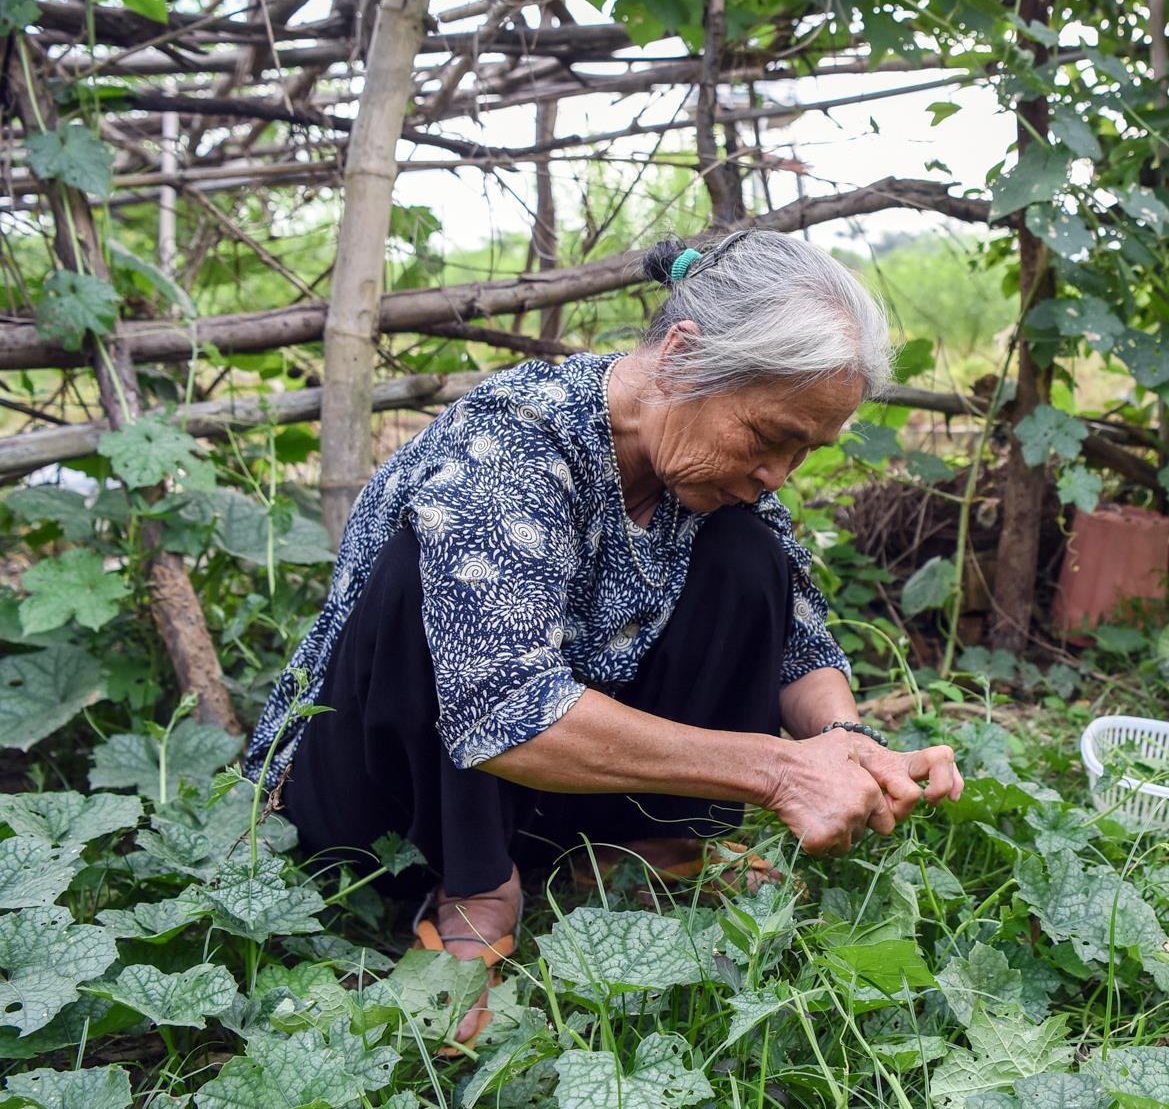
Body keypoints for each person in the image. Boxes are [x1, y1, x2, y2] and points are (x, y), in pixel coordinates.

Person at [243, 229, 963, 1047]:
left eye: (805, 450)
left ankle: (645, 843)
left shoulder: (704, 469)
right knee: (432, 572)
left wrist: (846, 744)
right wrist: (776, 773)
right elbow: (504, 708)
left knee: (748, 553)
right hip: (375, 794)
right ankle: (477, 890)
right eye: (769, 438)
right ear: (683, 356)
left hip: (545, 789)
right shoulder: (511, 443)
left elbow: (798, 642)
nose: (778, 473)